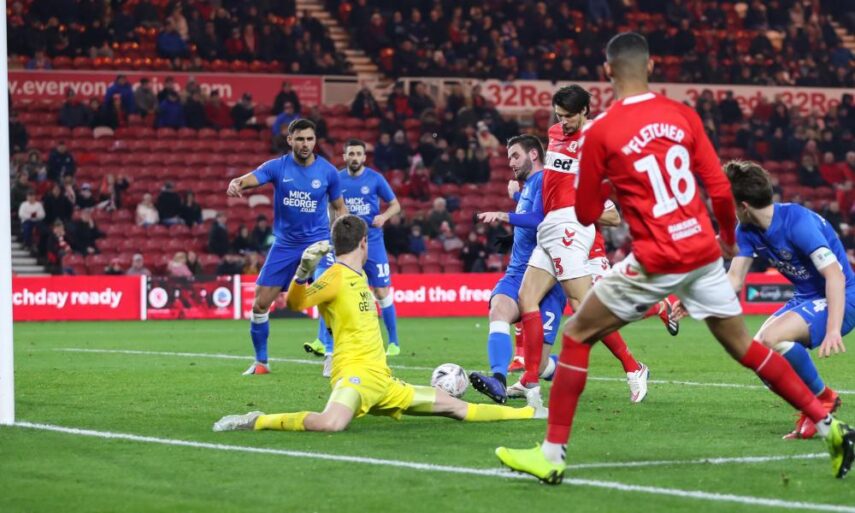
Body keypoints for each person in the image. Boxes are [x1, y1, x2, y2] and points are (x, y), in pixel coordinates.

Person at [495, 32, 855, 484]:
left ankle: (551, 455)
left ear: (607, 73)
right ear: (650, 67)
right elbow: (719, 187)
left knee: (576, 333)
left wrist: (605, 188)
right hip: (701, 249)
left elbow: (585, 213)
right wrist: (728, 240)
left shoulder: (601, 132)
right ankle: (829, 424)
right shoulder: (682, 115)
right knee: (745, 347)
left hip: (656, 256)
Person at [213, 216, 547, 434]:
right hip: (354, 376)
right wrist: (302, 273)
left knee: (459, 408)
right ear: (364, 243)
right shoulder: (335, 276)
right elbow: (296, 303)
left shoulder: (358, 276)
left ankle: (529, 413)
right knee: (331, 424)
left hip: (384, 382)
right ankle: (257, 420)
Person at [498, 85, 675, 405]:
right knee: (527, 299)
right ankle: (529, 378)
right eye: (558, 115)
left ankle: (633, 367)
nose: (562, 122)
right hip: (550, 224)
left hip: (571, 225)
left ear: (584, 112)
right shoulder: (555, 133)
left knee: (585, 308)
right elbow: (554, 181)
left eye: (568, 116)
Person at [690, 161, 849, 439]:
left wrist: (833, 328)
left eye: (729, 204)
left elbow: (835, 275)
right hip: (807, 296)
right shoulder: (746, 231)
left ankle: (821, 401)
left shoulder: (797, 222)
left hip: (843, 296)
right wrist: (696, 298)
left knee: (772, 339)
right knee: (758, 354)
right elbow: (734, 280)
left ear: (743, 206)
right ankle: (816, 405)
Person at [226, 118, 348, 376]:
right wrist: (236, 183)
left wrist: (343, 238)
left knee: (328, 296)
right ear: (290, 140)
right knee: (260, 304)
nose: (305, 144)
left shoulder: (328, 172)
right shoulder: (277, 167)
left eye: (310, 139)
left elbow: (339, 207)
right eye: (300, 139)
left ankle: (331, 356)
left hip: (318, 244)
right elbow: (251, 178)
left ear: (315, 141)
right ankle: (261, 363)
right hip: (285, 245)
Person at [305, 139, 403, 367]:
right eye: (351, 153)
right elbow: (329, 206)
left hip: (372, 241)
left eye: (359, 154)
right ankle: (322, 341)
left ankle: (393, 342)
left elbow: (395, 204)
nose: (355, 157)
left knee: (381, 292)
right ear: (345, 156)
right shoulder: (337, 179)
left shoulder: (375, 179)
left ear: (364, 157)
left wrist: (384, 217)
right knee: (331, 287)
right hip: (346, 242)